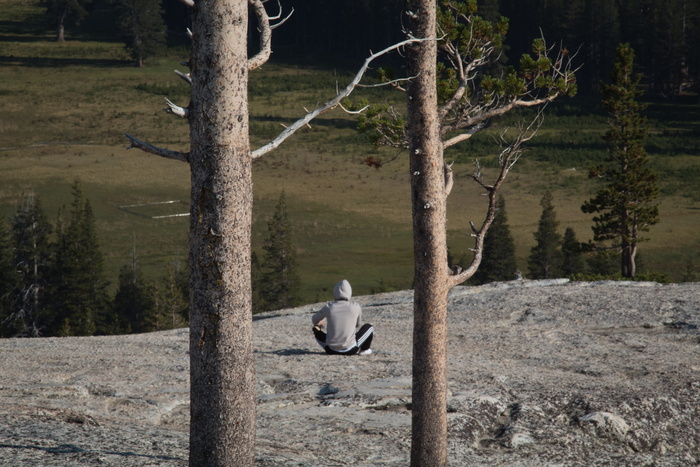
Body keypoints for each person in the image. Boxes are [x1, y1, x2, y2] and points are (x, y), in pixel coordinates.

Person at [312, 279, 373, 355]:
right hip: (350, 349)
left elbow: (314, 319)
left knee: (316, 330)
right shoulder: (355, 306)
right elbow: (357, 324)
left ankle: (332, 343)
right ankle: (364, 350)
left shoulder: (329, 307)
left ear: (335, 293)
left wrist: (320, 324)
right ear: (349, 293)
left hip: (330, 349)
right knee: (369, 327)